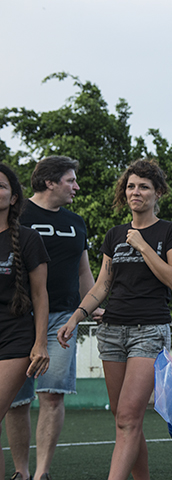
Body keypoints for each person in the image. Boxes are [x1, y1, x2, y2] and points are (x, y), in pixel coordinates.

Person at [57, 158, 172, 480]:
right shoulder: (115, 234)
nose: (136, 192)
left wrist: (143, 245)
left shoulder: (170, 231)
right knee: (123, 417)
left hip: (149, 331)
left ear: (157, 192)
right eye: (131, 186)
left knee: (128, 417)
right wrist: (76, 317)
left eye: (144, 186)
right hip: (112, 331)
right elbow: (102, 285)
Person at [4, 156, 100, 480]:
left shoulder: (77, 222)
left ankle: (42, 473)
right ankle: (21, 471)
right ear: (50, 182)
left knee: (52, 395)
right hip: (19, 318)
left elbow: (84, 270)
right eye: (70, 180)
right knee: (16, 401)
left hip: (62, 318)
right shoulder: (19, 216)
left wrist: (94, 304)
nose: (76, 186)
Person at [0, 164, 50, 479]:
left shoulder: (29, 239)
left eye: (1, 186)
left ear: (14, 197)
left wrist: (41, 343)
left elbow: (40, 295)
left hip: (15, 338)